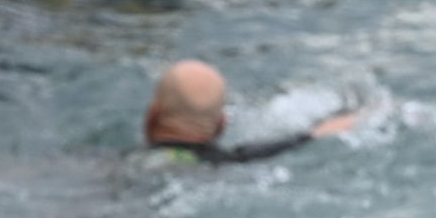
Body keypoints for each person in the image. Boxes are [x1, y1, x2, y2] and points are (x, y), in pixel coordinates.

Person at [145, 60, 361, 165]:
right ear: (221, 124)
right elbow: (282, 145)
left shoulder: (127, 163)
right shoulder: (231, 161)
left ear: (152, 115)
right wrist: (316, 133)